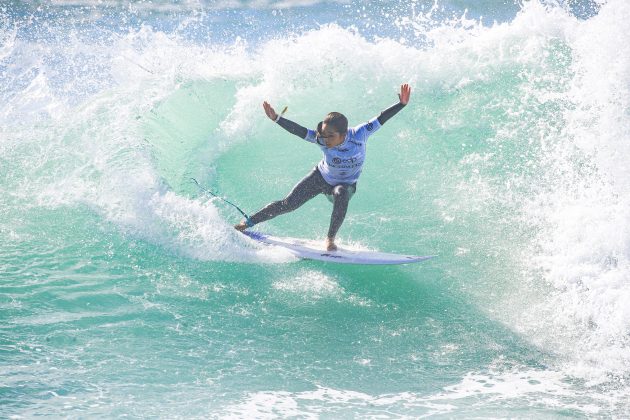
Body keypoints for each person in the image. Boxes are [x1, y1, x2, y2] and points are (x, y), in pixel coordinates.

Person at [235, 84, 412, 251]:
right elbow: (299, 131)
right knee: (288, 204)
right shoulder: (321, 139)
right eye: (323, 135)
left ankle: (330, 239)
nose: (325, 139)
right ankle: (247, 223)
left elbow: (382, 118)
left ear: (344, 134)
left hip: (345, 184)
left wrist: (401, 104)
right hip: (320, 178)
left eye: (330, 136)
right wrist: (276, 118)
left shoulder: (360, 133)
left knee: (341, 193)